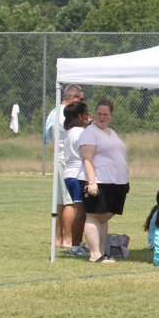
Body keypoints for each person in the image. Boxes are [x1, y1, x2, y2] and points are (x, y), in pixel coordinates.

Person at [78, 99, 130, 263]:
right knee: (93, 216)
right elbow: (87, 158)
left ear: (110, 116)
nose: (102, 117)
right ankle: (95, 254)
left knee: (103, 217)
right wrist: (92, 182)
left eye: (105, 114)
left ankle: (102, 252)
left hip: (115, 182)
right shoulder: (90, 132)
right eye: (99, 114)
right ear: (94, 115)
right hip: (98, 181)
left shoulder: (111, 132)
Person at [45, 84, 85, 251]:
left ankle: (58, 238)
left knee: (59, 201)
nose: (82, 103)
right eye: (81, 99)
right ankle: (68, 239)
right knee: (70, 202)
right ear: (73, 97)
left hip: (58, 156)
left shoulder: (54, 111)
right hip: (67, 159)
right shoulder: (66, 113)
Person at [60, 100, 91, 256]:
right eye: (86, 114)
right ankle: (75, 246)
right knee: (81, 212)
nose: (89, 117)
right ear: (80, 116)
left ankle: (77, 244)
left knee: (81, 211)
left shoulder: (71, 131)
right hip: (77, 175)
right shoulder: (79, 132)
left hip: (70, 174)